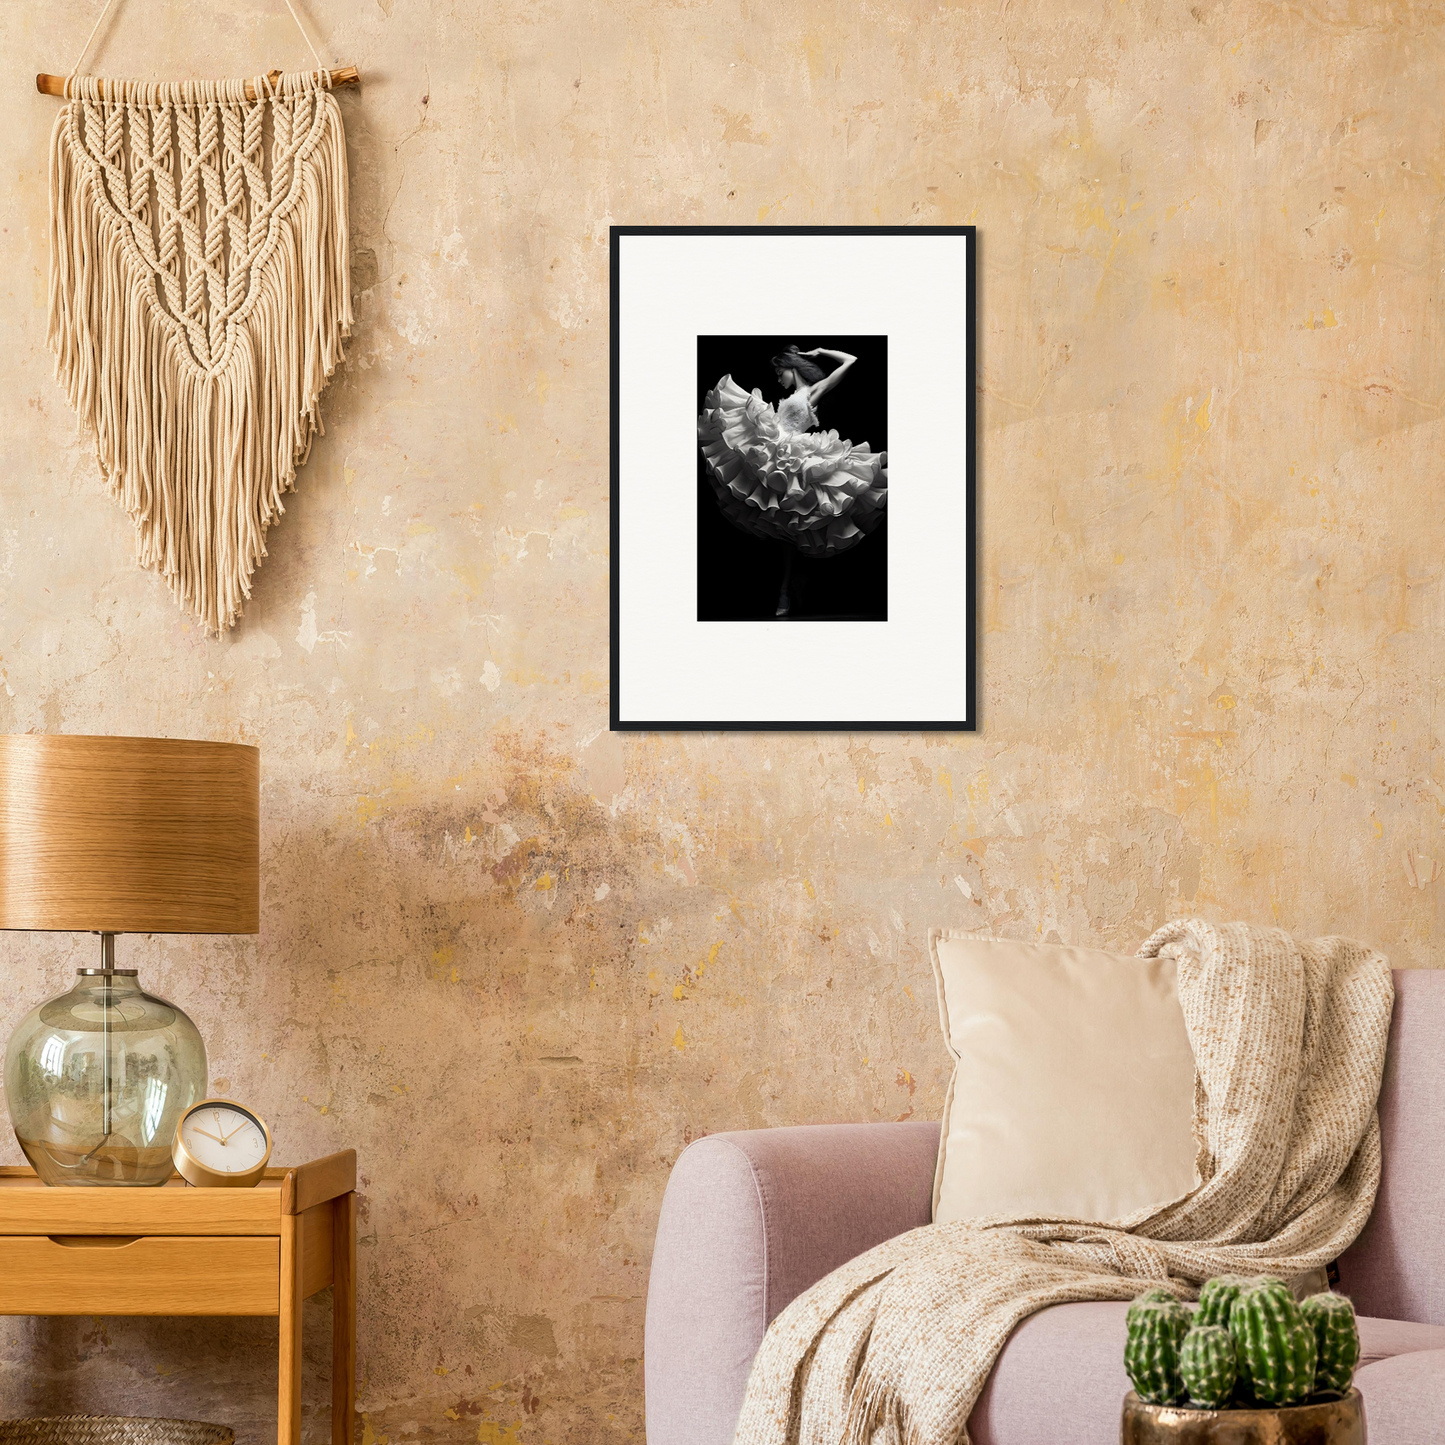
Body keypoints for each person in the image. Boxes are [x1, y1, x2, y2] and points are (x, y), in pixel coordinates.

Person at [697, 345, 887, 615]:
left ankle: (788, 589)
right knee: (782, 527)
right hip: (776, 450)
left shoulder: (813, 390)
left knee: (793, 526)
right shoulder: (793, 394)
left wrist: (820, 351)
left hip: (796, 456)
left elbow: (851, 360)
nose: (778, 379)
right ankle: (789, 587)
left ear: (792, 368)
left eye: (780, 372)